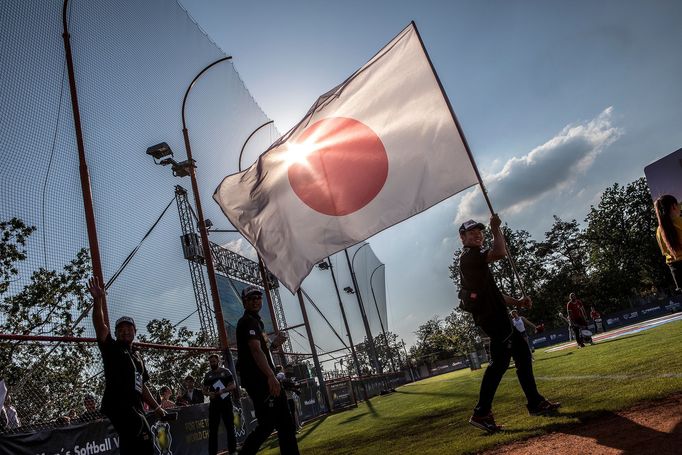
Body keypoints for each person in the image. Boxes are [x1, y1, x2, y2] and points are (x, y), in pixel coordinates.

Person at [457, 216, 560, 433]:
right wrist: (496, 229)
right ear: (462, 237)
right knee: (499, 364)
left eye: (480, 231)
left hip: (498, 317)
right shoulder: (470, 256)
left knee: (522, 355)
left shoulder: (475, 259)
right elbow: (500, 253)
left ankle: (535, 402)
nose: (478, 234)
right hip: (493, 319)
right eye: (472, 231)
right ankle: (481, 412)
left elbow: (495, 294)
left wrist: (518, 302)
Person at [88, 277, 165, 454]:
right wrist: (98, 299)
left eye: (129, 328)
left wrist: (157, 407)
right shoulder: (112, 348)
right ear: (115, 333)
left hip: (135, 407)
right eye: (121, 329)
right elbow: (100, 327)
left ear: (135, 332)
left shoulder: (137, 356)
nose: (125, 331)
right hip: (118, 406)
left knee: (138, 443)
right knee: (140, 432)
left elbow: (142, 385)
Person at [237, 285, 299, 455]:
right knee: (275, 424)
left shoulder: (256, 322)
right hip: (261, 381)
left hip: (263, 379)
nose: (256, 300)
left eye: (258, 297)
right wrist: (272, 376)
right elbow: (255, 351)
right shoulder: (248, 321)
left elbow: (261, 351)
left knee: (276, 424)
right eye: (251, 298)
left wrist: (273, 345)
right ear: (244, 302)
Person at [202, 354, 237, 455]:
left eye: (214, 361)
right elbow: (204, 390)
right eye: (210, 362)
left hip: (226, 402)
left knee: (230, 427)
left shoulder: (226, 372)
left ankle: (233, 451)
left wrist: (223, 390)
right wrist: (209, 394)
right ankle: (212, 453)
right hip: (214, 404)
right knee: (213, 430)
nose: (212, 363)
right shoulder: (208, 375)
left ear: (218, 361)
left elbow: (233, 385)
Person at [654, 194, 682, 291]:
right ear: (674, 206)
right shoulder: (680, 221)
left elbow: (664, 252)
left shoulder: (659, 231)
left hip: (676, 273)